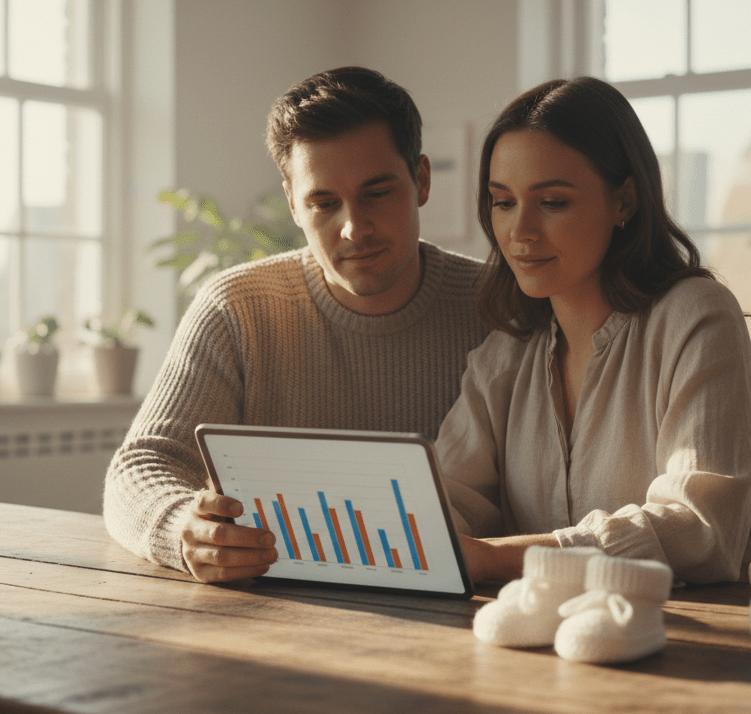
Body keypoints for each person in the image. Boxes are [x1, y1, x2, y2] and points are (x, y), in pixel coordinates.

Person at [104, 67, 489, 582]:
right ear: (292, 201)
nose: (354, 228)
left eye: (377, 192)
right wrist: (181, 528)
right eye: (323, 203)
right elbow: (142, 463)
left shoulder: (496, 306)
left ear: (420, 179)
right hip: (270, 611)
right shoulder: (236, 307)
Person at [435, 77, 751, 586]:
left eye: (552, 202)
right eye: (503, 202)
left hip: (719, 645)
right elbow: (450, 500)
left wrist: (499, 559)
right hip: (550, 644)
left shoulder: (697, 317)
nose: (520, 231)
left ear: (624, 201)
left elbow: (697, 527)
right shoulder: (505, 354)